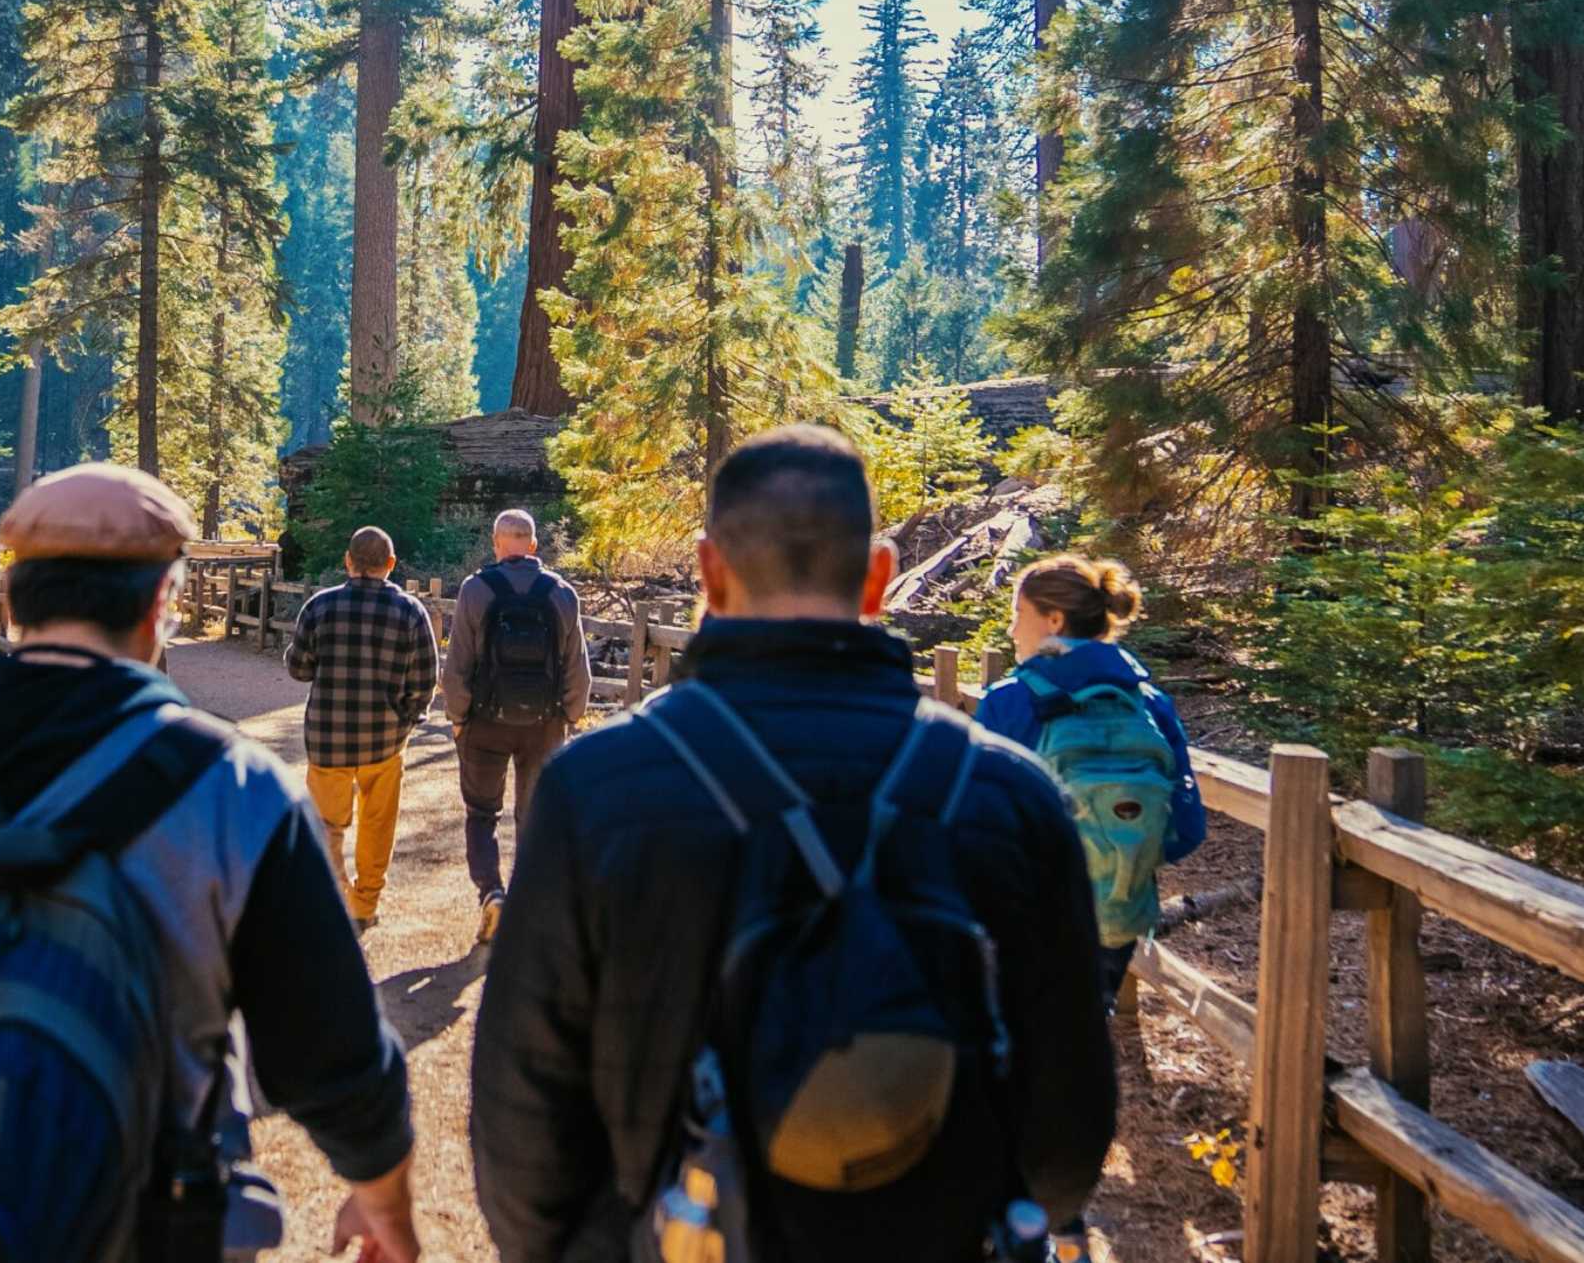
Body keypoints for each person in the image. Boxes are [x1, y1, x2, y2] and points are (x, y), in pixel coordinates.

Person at [0, 463, 422, 1263]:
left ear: (12, 600)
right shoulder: (237, 793)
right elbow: (332, 1054)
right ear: (165, 601)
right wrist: (384, 1199)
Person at [468, 425, 1116, 1262]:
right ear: (880, 575)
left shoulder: (599, 791)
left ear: (709, 571)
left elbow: (521, 1121)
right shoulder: (1011, 800)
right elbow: (1066, 1140)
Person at [976, 553, 1208, 1004]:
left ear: (1054, 620)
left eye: (1018, 615)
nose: (1011, 630)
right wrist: (1121, 852)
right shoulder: (1149, 703)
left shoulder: (1008, 702)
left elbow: (980, 821)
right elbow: (1188, 827)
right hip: (1114, 924)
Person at [439, 507, 589, 944]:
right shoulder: (562, 593)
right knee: (534, 817)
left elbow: (457, 665)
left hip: (485, 722)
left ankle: (492, 894)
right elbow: (577, 668)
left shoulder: (475, 589)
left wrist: (459, 719)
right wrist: (569, 718)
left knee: (482, 814)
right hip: (543, 725)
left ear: (495, 542)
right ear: (534, 545)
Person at [286, 524, 440, 932]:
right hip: (384, 741)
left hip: (327, 737)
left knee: (327, 825)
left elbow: (298, 668)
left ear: (347, 561)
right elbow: (424, 681)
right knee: (377, 824)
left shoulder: (319, 607)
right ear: (390, 564)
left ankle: (333, 895)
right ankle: (364, 903)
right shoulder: (410, 612)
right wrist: (405, 719)